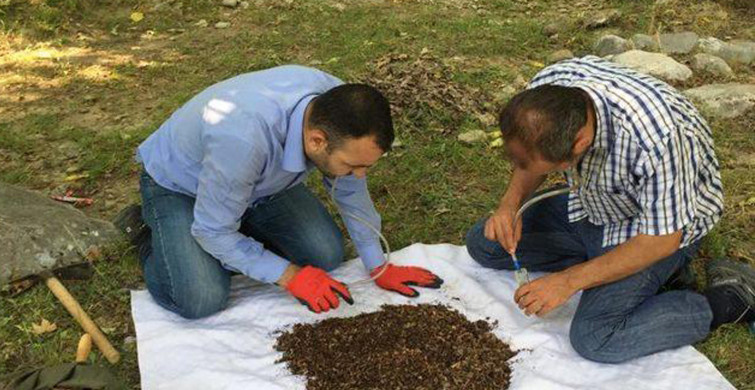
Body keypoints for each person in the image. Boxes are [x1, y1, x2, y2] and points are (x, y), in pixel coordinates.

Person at [465, 56, 755, 363]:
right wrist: (510, 206)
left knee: (596, 337)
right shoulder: (544, 95)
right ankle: (641, 277)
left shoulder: (657, 139)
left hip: (655, 230)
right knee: (485, 245)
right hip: (594, 203)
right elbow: (531, 161)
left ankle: (730, 299)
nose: (525, 170)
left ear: (579, 144)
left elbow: (662, 239)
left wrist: (569, 281)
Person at [118, 65, 443, 319]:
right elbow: (213, 230)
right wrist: (289, 276)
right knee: (200, 297)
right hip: (181, 186)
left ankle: (234, 225)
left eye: (366, 167)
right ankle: (152, 234)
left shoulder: (338, 105)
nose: (359, 176)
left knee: (325, 255)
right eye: (352, 165)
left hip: (260, 185)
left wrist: (377, 264)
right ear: (317, 140)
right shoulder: (242, 139)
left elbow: (351, 191)